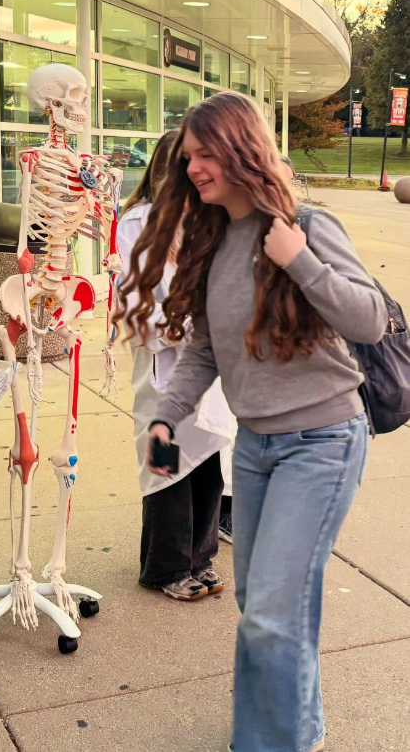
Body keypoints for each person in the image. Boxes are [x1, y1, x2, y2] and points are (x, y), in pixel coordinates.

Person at [116, 91, 385, 752]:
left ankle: (270, 743)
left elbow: (368, 320)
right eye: (188, 158)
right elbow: (203, 349)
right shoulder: (210, 241)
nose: (194, 167)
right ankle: (303, 724)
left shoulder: (306, 228)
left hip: (321, 442)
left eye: (206, 154)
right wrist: (166, 418)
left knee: (269, 611)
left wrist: (298, 259)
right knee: (265, 605)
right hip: (255, 445)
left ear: (241, 151)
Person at [117, 131, 235, 602]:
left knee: (208, 458)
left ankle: (199, 558)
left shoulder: (209, 218)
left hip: (208, 364)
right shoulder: (138, 223)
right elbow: (133, 299)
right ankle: (164, 567)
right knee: (167, 464)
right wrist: (183, 329)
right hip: (165, 365)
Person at [217, 152, 299, 547]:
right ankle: (230, 509)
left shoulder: (300, 230)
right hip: (240, 355)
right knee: (236, 435)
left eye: (284, 184)